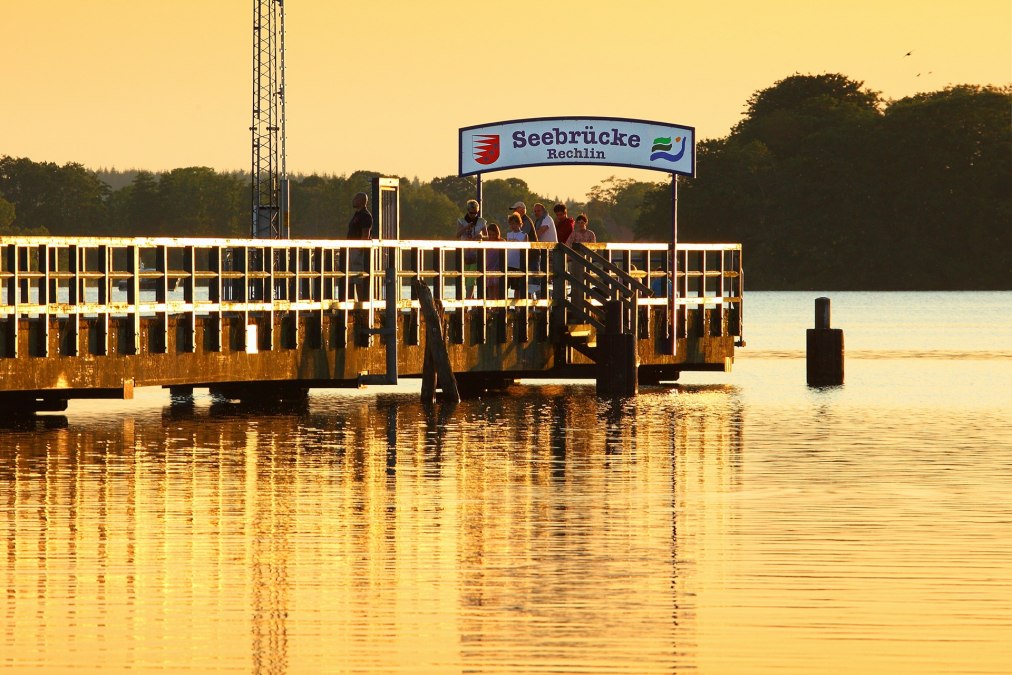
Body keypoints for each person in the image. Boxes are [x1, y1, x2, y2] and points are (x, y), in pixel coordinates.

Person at [456, 199, 487, 299]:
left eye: (475, 213)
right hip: (464, 254)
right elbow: (457, 235)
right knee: (465, 279)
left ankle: (468, 301)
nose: (473, 215)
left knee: (471, 279)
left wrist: (481, 237)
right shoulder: (461, 221)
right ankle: (471, 303)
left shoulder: (482, 222)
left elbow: (488, 237)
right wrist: (466, 227)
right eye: (471, 212)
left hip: (476, 254)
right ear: (467, 210)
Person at [345, 192, 373, 300]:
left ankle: (362, 304)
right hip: (351, 249)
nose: (353, 200)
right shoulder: (357, 215)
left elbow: (365, 234)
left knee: (359, 279)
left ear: (361, 201)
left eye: (356, 198)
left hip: (358, 251)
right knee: (351, 279)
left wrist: (359, 250)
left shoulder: (365, 216)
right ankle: (352, 303)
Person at [530, 203, 556, 298]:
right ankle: (542, 298)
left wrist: (528, 240)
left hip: (551, 251)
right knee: (542, 276)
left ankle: (552, 298)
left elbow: (539, 233)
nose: (536, 213)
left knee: (550, 276)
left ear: (543, 211)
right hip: (542, 252)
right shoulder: (537, 221)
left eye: (538, 211)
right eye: (535, 211)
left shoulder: (547, 219)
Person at [505, 211, 528, 298]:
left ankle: (517, 307)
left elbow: (526, 251)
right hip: (508, 263)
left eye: (514, 224)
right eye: (511, 224)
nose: (513, 226)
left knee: (517, 288)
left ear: (519, 224)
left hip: (518, 264)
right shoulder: (508, 235)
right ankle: (505, 306)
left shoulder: (523, 235)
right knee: (506, 286)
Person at [483, 222, 505, 300]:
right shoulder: (486, 242)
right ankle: (491, 307)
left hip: (497, 268)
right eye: (490, 234)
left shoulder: (501, 242)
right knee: (490, 288)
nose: (491, 236)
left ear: (497, 234)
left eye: (493, 234)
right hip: (488, 267)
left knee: (496, 287)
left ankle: (497, 307)